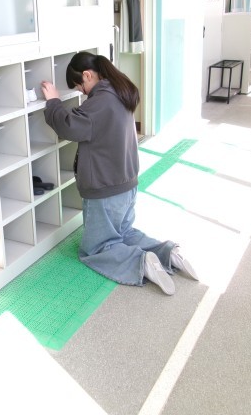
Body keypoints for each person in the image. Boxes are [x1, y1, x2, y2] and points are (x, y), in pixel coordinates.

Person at [41, 51, 198, 295]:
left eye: (80, 86)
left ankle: (140, 262)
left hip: (105, 190)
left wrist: (53, 101)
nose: (82, 92)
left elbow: (69, 127)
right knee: (124, 233)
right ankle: (167, 253)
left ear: (87, 75)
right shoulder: (120, 90)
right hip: (127, 184)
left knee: (96, 248)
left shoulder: (99, 102)